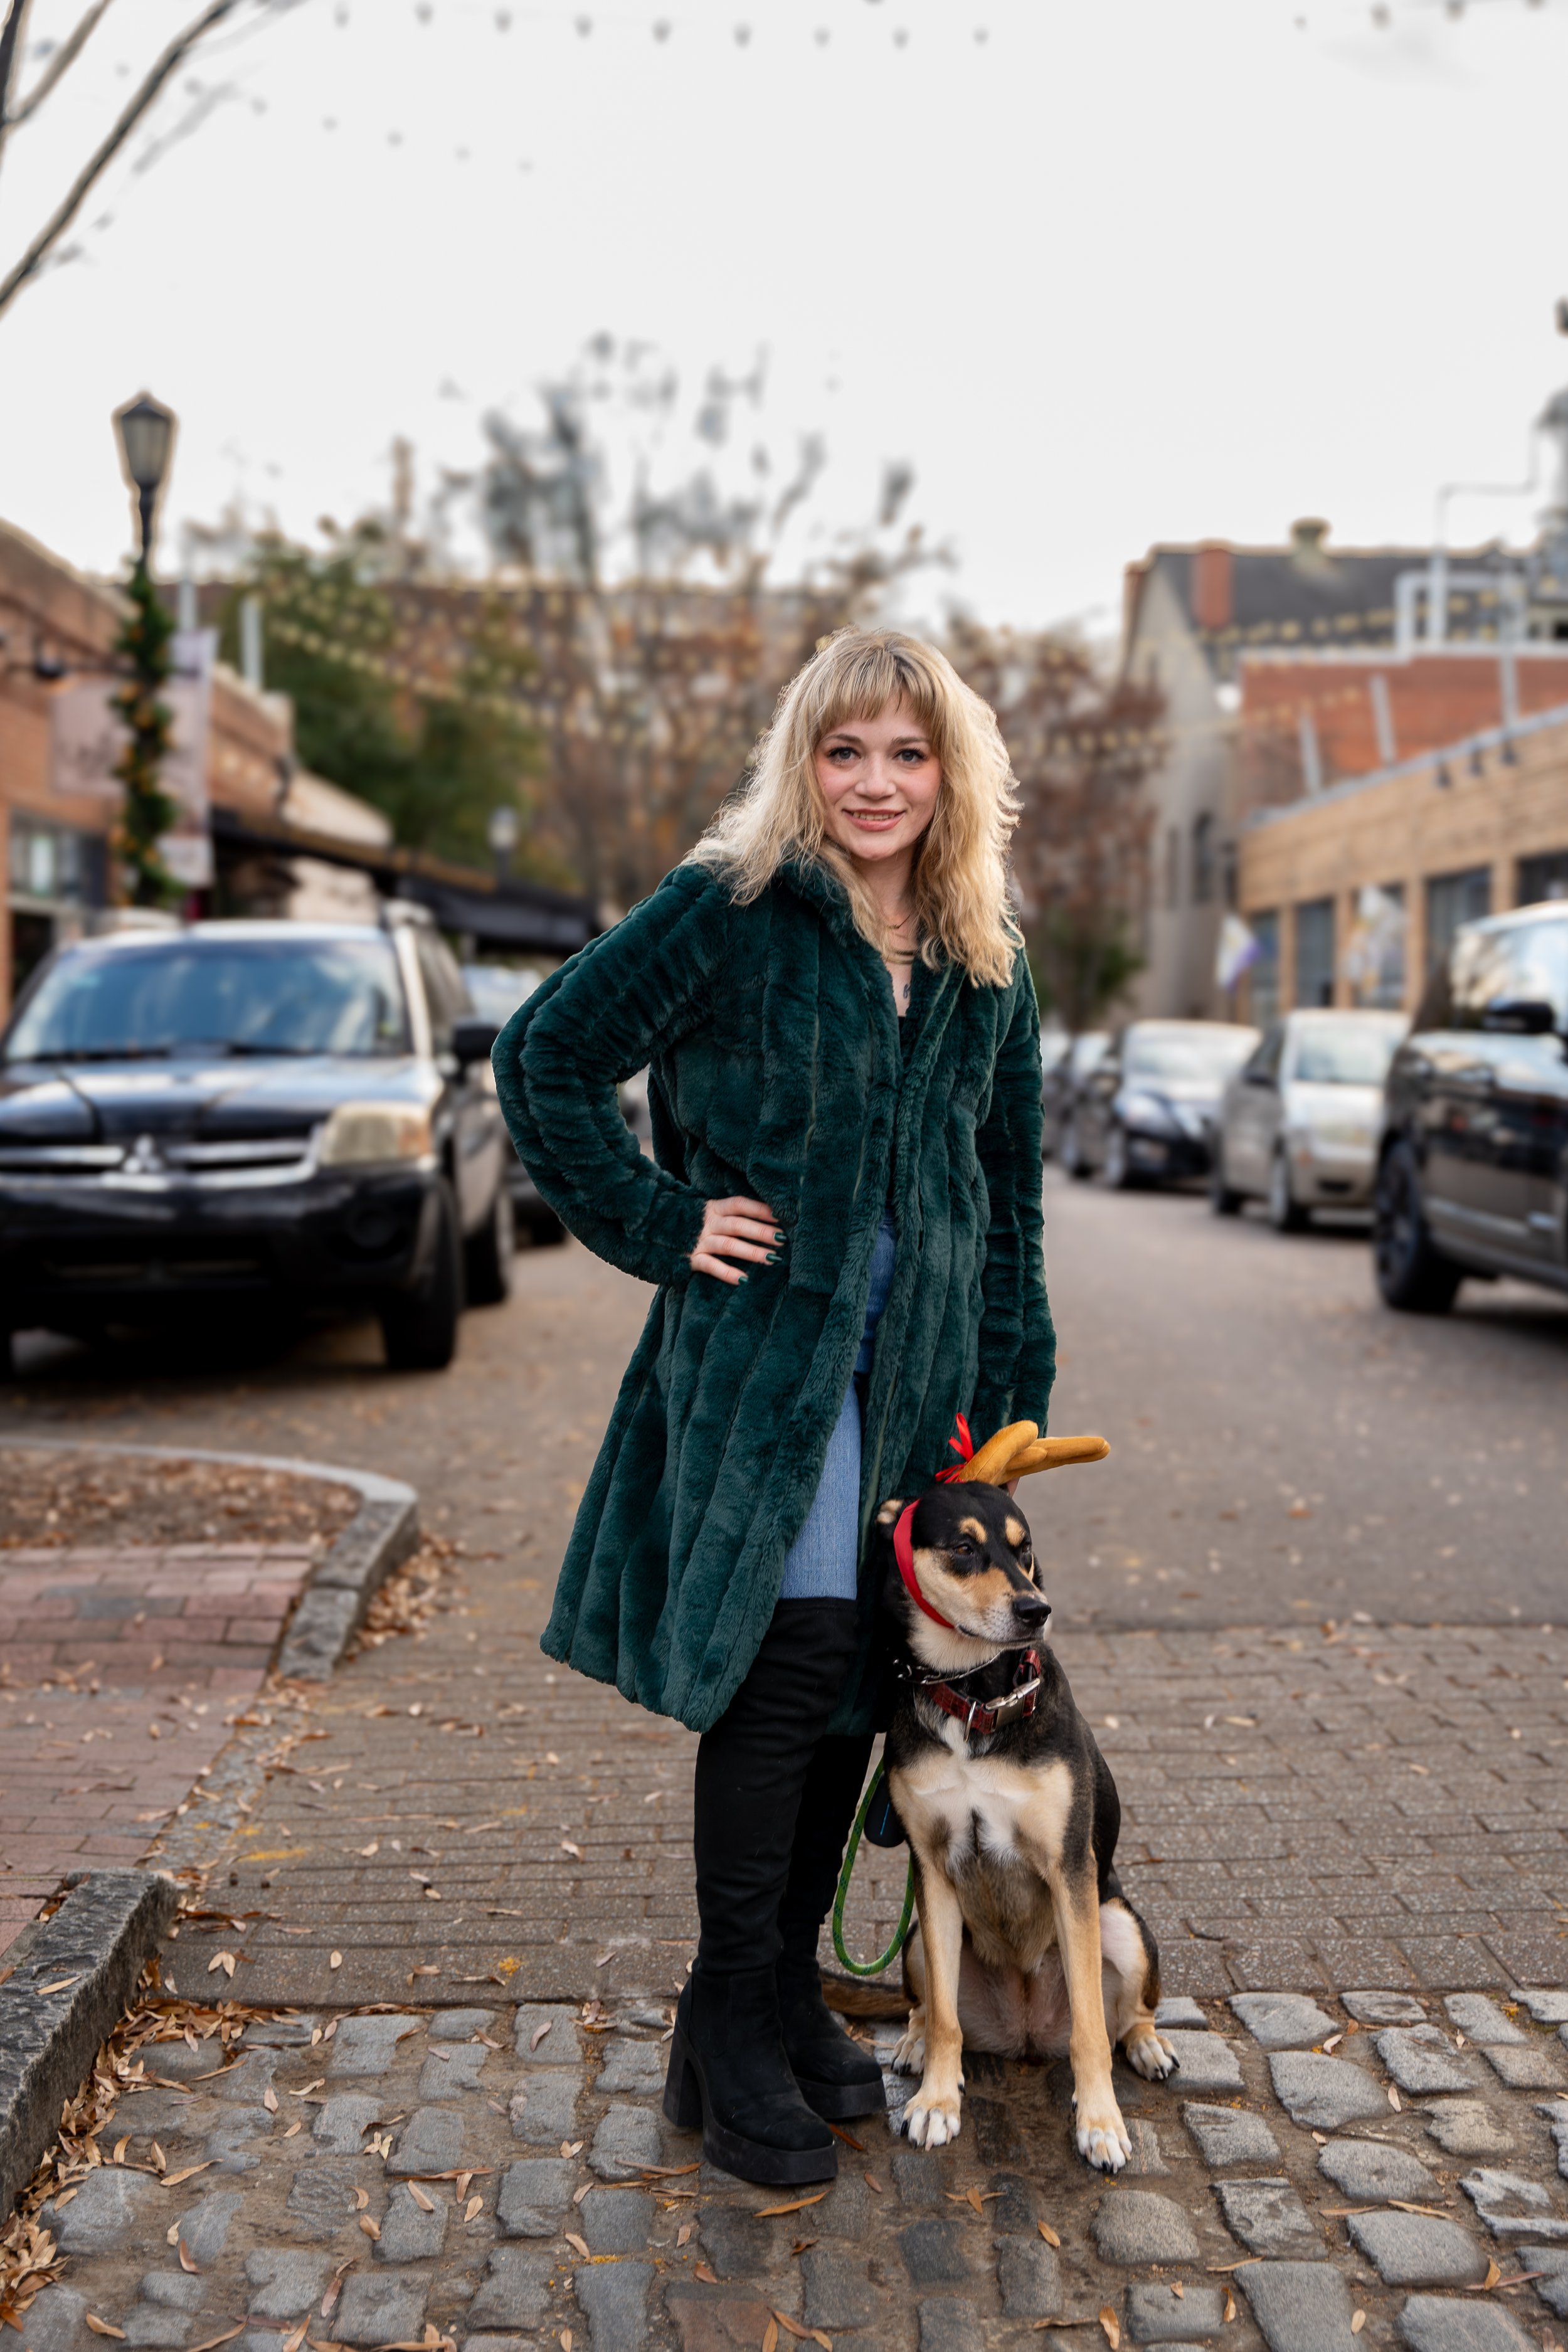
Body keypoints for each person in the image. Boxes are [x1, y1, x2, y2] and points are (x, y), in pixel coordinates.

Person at [494, 627, 1055, 2185]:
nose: (874, 784)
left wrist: (1007, 1397)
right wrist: (665, 1221)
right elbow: (543, 1056)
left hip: (919, 1378)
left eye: (907, 753)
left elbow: (1005, 1194)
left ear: (953, 775)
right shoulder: (726, 911)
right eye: (843, 750)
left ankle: (751, 2002)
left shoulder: (982, 950)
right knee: (790, 1646)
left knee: (850, 1684)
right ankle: (740, 2016)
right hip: (763, 1373)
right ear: (800, 762)